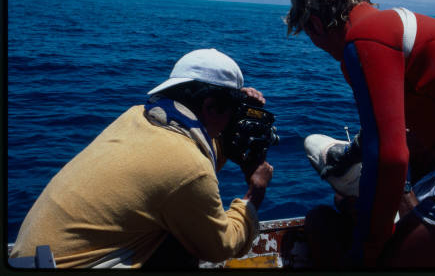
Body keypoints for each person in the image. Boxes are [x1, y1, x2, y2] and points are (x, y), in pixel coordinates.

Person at [285, 0, 435, 268]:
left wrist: (366, 251)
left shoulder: (366, 39)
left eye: (308, 34)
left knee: (345, 240)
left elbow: (390, 159)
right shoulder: (395, 27)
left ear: (315, 24)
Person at [10, 48, 274, 269]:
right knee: (182, 244)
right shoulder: (186, 166)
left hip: (30, 260)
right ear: (209, 106)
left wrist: (235, 112)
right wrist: (255, 193)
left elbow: (185, 157)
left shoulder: (136, 117)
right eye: (230, 110)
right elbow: (220, 247)